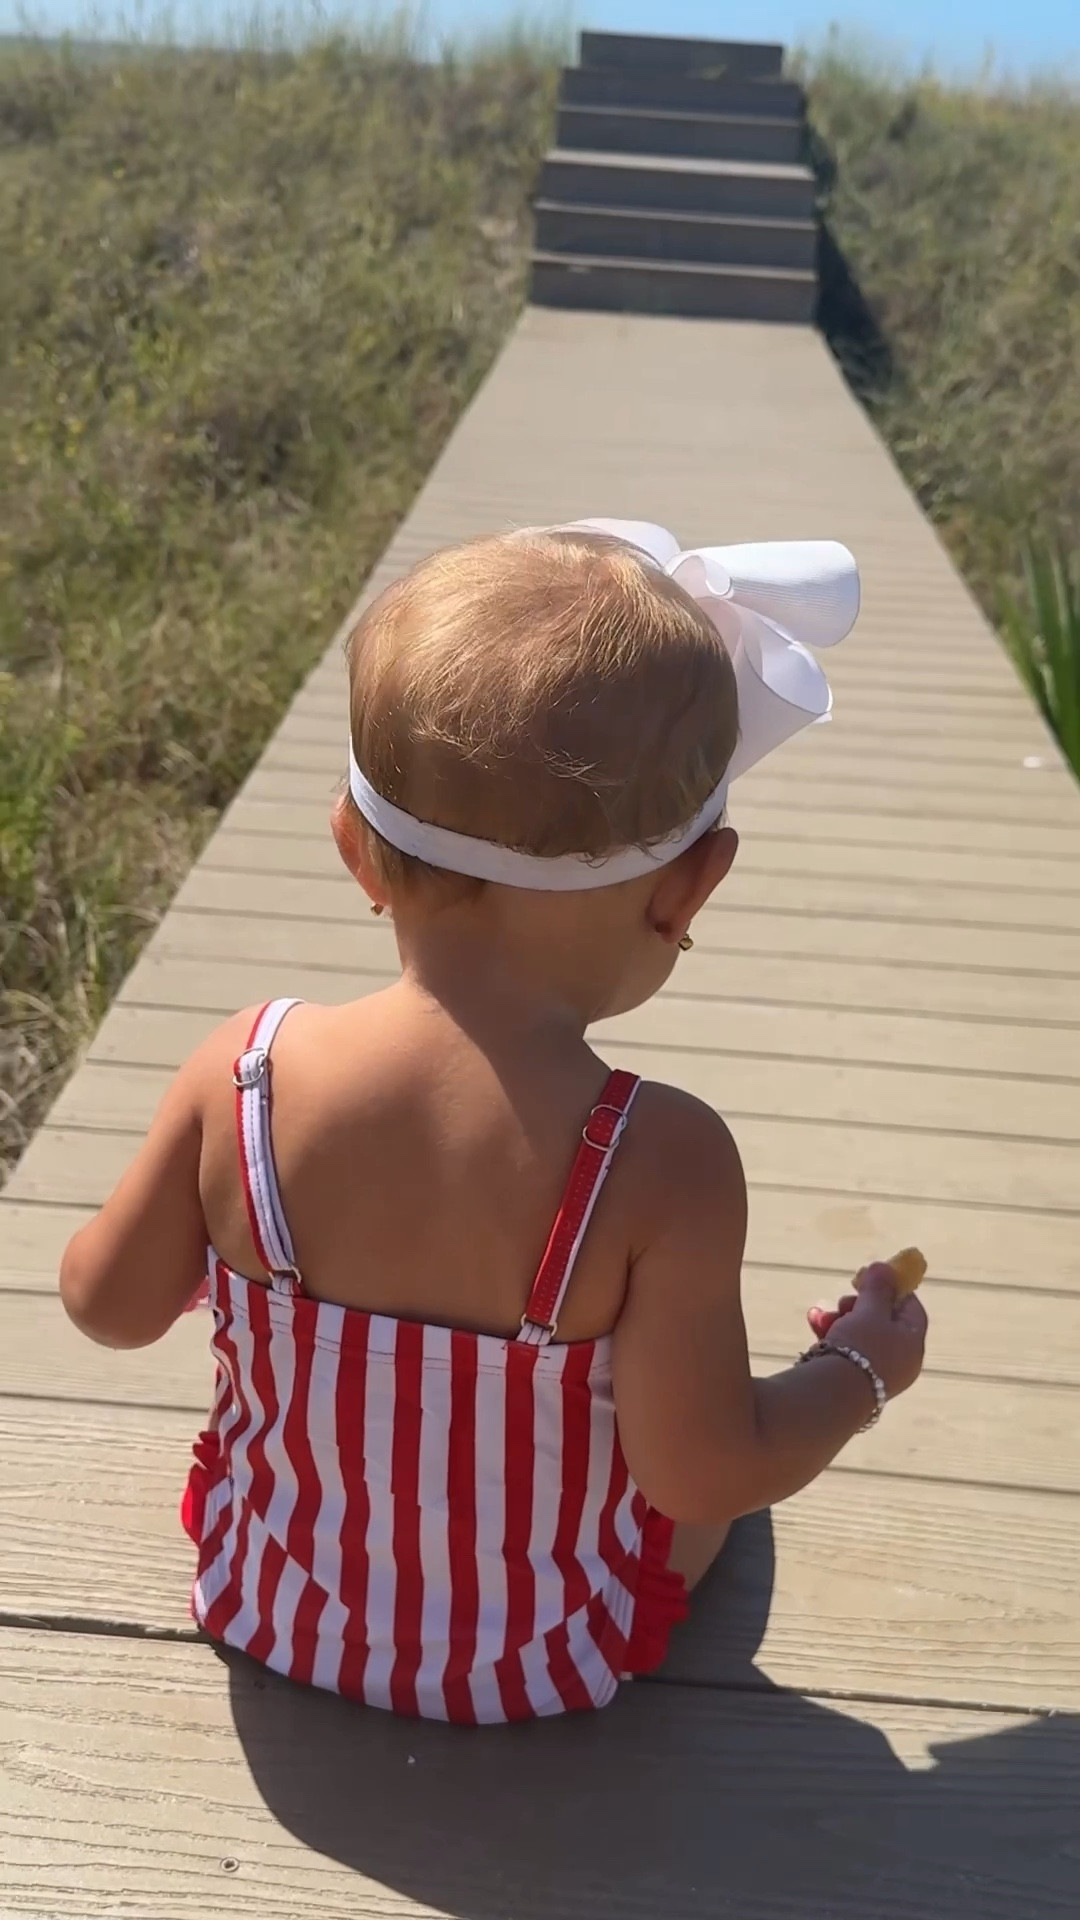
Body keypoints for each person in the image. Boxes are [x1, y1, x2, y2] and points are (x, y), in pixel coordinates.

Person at [59, 520, 928, 1725]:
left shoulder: (241, 1073)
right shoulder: (661, 1161)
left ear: (356, 853)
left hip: (270, 1598)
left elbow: (104, 1306)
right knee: (721, 1480)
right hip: (547, 1654)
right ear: (690, 887)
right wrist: (857, 1373)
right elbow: (704, 1469)